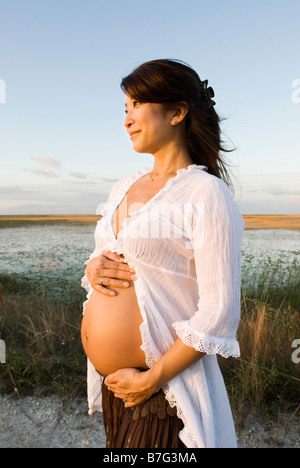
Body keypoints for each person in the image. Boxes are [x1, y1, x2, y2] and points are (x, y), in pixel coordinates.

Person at [81, 59, 245, 449]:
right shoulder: (123, 187)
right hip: (118, 388)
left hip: (162, 391)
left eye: (137, 104)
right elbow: (107, 260)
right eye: (125, 108)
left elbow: (220, 311)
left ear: (177, 111)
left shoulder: (205, 193)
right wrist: (92, 266)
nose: (127, 119)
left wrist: (151, 380)